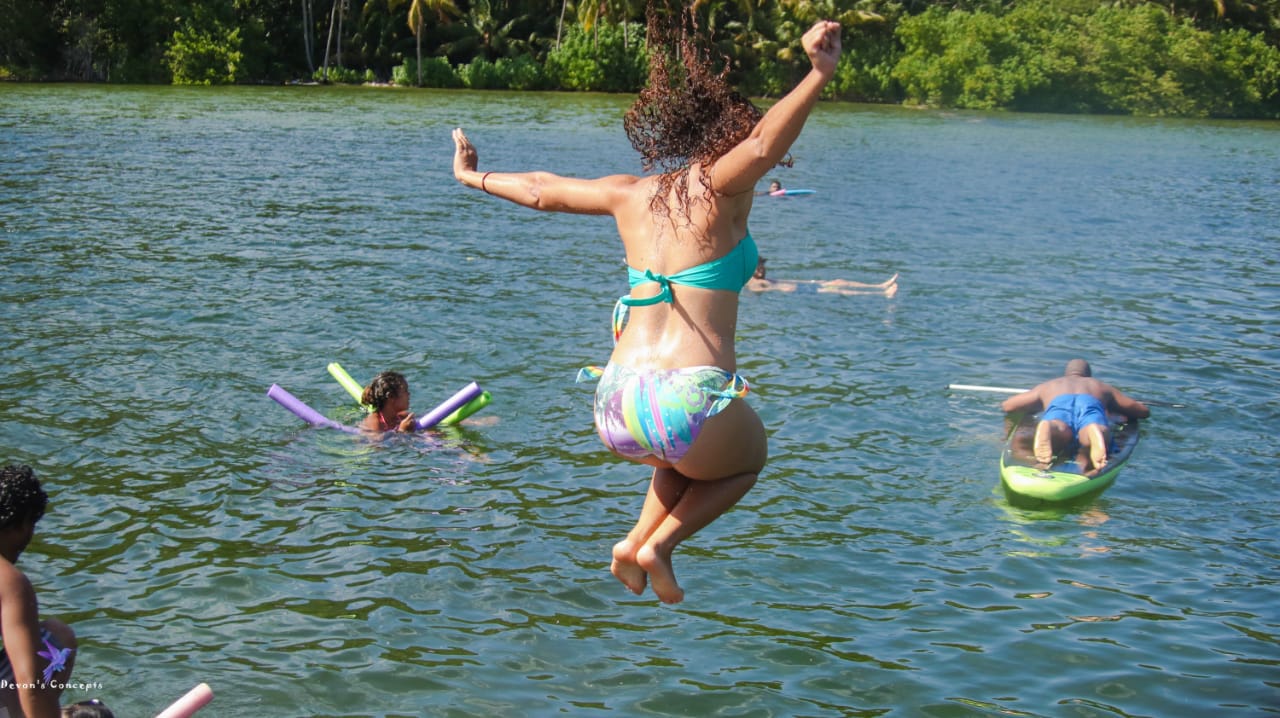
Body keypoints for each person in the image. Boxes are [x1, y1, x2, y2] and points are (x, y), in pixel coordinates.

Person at [451, 3, 842, 603]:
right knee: (746, 459)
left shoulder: (630, 194)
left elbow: (539, 190)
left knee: (681, 451)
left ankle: (634, 543)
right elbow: (764, 143)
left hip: (615, 403)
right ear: (723, 137)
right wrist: (816, 74)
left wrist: (471, 176)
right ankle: (661, 545)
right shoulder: (720, 183)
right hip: (685, 399)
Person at [0, 464, 77, 718]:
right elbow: (30, 683)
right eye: (31, 524)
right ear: (20, 523)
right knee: (58, 637)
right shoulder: (9, 582)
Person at [1001, 359, 1150, 476]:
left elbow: (1008, 406)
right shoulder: (1100, 386)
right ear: (1088, 375)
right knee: (1090, 426)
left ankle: (1050, 427)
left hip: (1058, 404)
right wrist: (1112, 406)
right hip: (1090, 405)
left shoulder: (1050, 385)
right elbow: (1141, 412)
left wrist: (1038, 403)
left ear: (1066, 373)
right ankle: (1094, 430)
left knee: (1059, 425)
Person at [746, 256, 898, 297]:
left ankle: (879, 285)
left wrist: (814, 281)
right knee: (837, 290)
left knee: (839, 281)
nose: (762, 272)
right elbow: (764, 290)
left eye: (763, 268)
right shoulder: (755, 283)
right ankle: (882, 293)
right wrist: (784, 289)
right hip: (802, 292)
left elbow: (785, 281)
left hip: (805, 286)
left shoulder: (765, 279)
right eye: (758, 270)